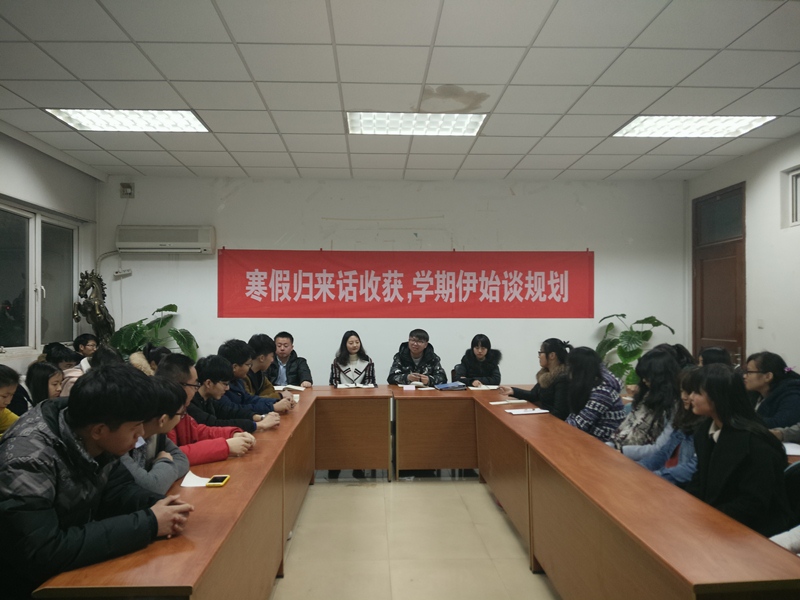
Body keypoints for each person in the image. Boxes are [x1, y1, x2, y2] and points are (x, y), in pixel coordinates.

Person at [0, 364, 194, 600]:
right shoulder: (27, 459)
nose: (141, 434)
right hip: (32, 586)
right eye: (135, 427)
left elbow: (118, 489)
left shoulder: (97, 428)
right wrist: (150, 522)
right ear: (99, 430)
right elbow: (43, 551)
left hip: (73, 569)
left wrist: (161, 506)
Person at [684, 364, 792, 537]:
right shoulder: (704, 431)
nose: (690, 397)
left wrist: (705, 520)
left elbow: (753, 504)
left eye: (697, 392)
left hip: (753, 531)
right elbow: (701, 479)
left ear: (717, 397)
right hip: (716, 520)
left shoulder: (755, 443)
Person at [159, 354, 256, 465]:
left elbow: (197, 431)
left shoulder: (181, 409)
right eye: (195, 385)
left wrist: (232, 433)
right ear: (179, 386)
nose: (197, 389)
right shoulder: (162, 413)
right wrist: (225, 446)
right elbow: (174, 455)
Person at [628, 367, 703, 485]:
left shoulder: (704, 428)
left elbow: (690, 469)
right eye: (682, 391)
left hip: (677, 486)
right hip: (664, 478)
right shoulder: (684, 419)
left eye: (689, 392)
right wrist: (639, 469)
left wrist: (652, 477)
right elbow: (663, 453)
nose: (684, 397)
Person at [119, 377, 190, 494]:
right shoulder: (120, 444)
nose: (181, 418)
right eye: (181, 414)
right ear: (163, 420)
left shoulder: (155, 435)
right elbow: (151, 486)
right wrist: (164, 461)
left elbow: (182, 460)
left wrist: (160, 475)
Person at [609, 348, 680, 450]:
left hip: (638, 455)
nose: (643, 380)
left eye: (647, 376)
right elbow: (626, 425)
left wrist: (621, 451)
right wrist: (611, 445)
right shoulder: (648, 394)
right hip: (621, 448)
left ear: (660, 377)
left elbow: (658, 449)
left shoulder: (673, 406)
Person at [188, 355, 280, 433]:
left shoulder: (208, 399)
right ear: (208, 383)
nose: (227, 388)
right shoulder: (190, 404)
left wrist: (260, 417)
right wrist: (258, 425)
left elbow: (230, 412)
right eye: (225, 384)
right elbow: (214, 424)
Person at [498, 338, 571, 419]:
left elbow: (560, 413)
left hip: (554, 422)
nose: (538, 356)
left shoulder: (563, 378)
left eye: (541, 352)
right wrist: (513, 391)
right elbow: (533, 395)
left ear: (552, 355)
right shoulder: (545, 375)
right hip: (545, 419)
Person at [564, 347, 625, 442]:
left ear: (578, 369)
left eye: (568, 366)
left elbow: (579, 425)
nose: (566, 370)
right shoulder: (587, 386)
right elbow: (573, 417)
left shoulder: (602, 392)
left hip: (604, 443)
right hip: (588, 438)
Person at [218, 339, 295, 414]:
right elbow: (236, 409)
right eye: (248, 364)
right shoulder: (219, 385)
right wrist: (272, 407)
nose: (250, 367)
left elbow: (250, 399)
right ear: (234, 367)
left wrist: (276, 401)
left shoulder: (238, 381)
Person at [743, 351, 800, 429]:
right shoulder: (755, 393)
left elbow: (780, 424)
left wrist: (743, 420)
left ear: (768, 376)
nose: (744, 376)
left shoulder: (792, 395)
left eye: (749, 372)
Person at [245, 334, 293, 401]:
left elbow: (270, 388)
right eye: (272, 356)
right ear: (262, 358)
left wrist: (260, 398)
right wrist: (279, 396)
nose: (272, 360)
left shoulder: (259, 373)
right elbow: (249, 401)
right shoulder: (243, 375)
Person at [0, 364, 20, 437]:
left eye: (12, 395)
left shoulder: (2, 412)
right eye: (4, 396)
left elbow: (22, 425)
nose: (8, 402)